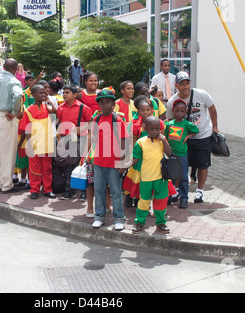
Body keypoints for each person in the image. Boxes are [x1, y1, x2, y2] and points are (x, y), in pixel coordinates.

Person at [166, 71, 219, 204]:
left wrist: (215, 127)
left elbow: (212, 109)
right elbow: (171, 122)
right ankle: (177, 190)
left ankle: (199, 191)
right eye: (182, 84)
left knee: (203, 164)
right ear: (176, 85)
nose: (185, 86)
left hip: (203, 135)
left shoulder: (201, 94)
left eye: (187, 83)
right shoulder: (172, 102)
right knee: (180, 165)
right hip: (183, 141)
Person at [91, 89, 129, 231]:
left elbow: (124, 140)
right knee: (99, 190)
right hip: (99, 162)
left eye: (107, 102)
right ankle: (99, 217)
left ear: (113, 104)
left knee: (116, 191)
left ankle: (118, 218)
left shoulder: (117, 119)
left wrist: (123, 161)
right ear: (99, 105)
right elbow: (94, 139)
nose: (104, 105)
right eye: (102, 102)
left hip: (114, 162)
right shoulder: (97, 119)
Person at [132, 116, 172, 235]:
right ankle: (140, 222)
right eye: (152, 129)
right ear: (145, 128)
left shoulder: (162, 139)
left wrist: (163, 140)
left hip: (161, 178)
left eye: (157, 129)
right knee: (143, 202)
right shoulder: (141, 142)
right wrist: (124, 166)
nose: (155, 132)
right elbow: (136, 157)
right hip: (146, 178)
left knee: (161, 201)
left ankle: (160, 223)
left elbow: (169, 152)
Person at [0, 58, 23, 193]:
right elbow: (18, 95)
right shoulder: (14, 81)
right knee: (8, 151)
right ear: (15, 69)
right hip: (7, 116)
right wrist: (14, 112)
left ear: (4, 67)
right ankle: (7, 184)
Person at [18, 84, 56, 200]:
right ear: (34, 95)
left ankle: (47, 189)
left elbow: (54, 112)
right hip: (35, 144)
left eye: (45, 92)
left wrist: (49, 102)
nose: (44, 95)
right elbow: (27, 130)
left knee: (47, 168)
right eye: (41, 93)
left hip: (47, 143)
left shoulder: (46, 107)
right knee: (34, 168)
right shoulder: (28, 110)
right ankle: (34, 189)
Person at [56, 84, 93, 200]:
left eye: (67, 92)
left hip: (80, 139)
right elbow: (60, 122)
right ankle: (69, 189)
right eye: (64, 92)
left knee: (82, 165)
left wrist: (80, 129)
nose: (65, 95)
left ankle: (84, 191)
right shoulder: (60, 108)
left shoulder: (84, 108)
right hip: (66, 139)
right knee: (68, 165)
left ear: (75, 94)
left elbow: (91, 123)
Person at [164, 99, 199, 209]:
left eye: (182, 111)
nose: (179, 113)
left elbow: (196, 130)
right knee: (170, 177)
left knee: (183, 176)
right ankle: (169, 197)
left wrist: (187, 137)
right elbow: (165, 137)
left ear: (185, 112)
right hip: (170, 154)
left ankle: (184, 199)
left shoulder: (186, 124)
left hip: (182, 154)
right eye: (177, 111)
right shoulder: (169, 124)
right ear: (173, 111)